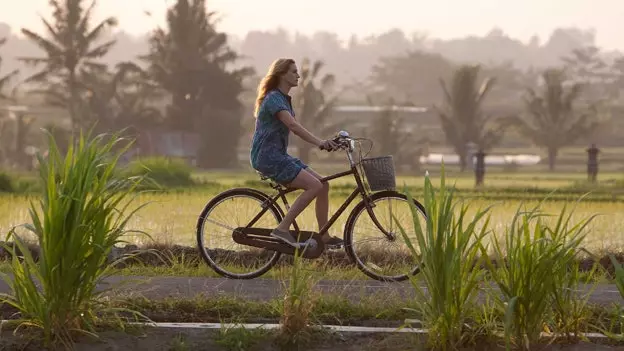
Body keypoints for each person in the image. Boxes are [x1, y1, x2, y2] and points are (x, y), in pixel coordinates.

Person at [250, 58, 344, 249]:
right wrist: (320, 143)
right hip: (268, 157)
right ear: (281, 74)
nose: (298, 75)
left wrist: (329, 142)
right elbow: (293, 126)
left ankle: (323, 236)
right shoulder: (273, 98)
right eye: (293, 72)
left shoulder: (282, 99)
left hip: (279, 155)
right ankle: (282, 229)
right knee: (314, 186)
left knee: (323, 185)